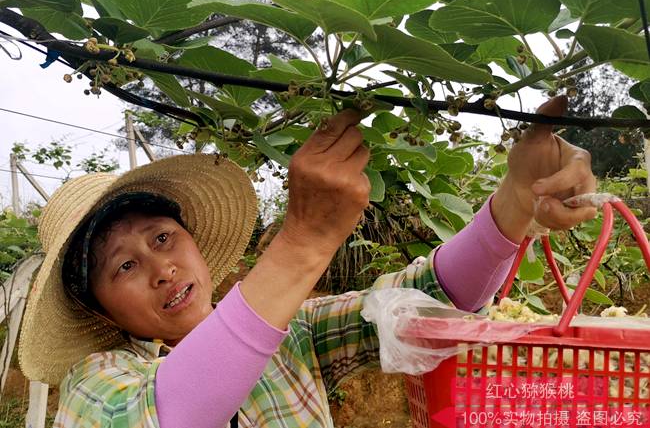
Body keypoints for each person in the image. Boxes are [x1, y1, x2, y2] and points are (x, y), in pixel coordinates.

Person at [19, 96, 596, 428]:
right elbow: (171, 416)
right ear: (98, 305)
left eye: (163, 238)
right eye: (123, 266)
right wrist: (302, 242)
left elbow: (426, 305)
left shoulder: (288, 335)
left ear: (194, 243)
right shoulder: (94, 386)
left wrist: (515, 202)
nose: (160, 268)